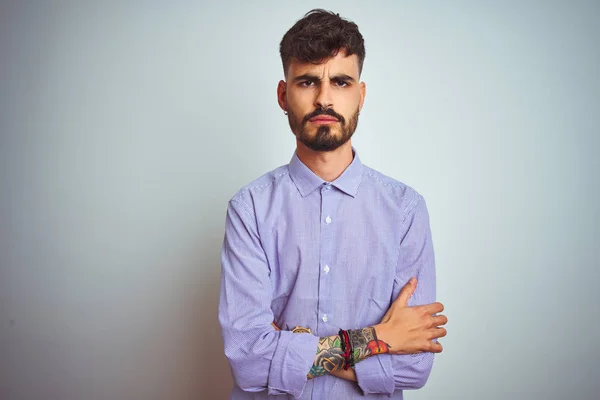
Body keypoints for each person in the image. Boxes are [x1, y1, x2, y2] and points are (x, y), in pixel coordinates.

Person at [218, 9, 448, 399]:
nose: (324, 98)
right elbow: (249, 361)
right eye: (307, 81)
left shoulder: (405, 210)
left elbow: (414, 364)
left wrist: (291, 347)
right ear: (282, 94)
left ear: (360, 95)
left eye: (340, 81)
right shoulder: (250, 208)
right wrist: (377, 339)